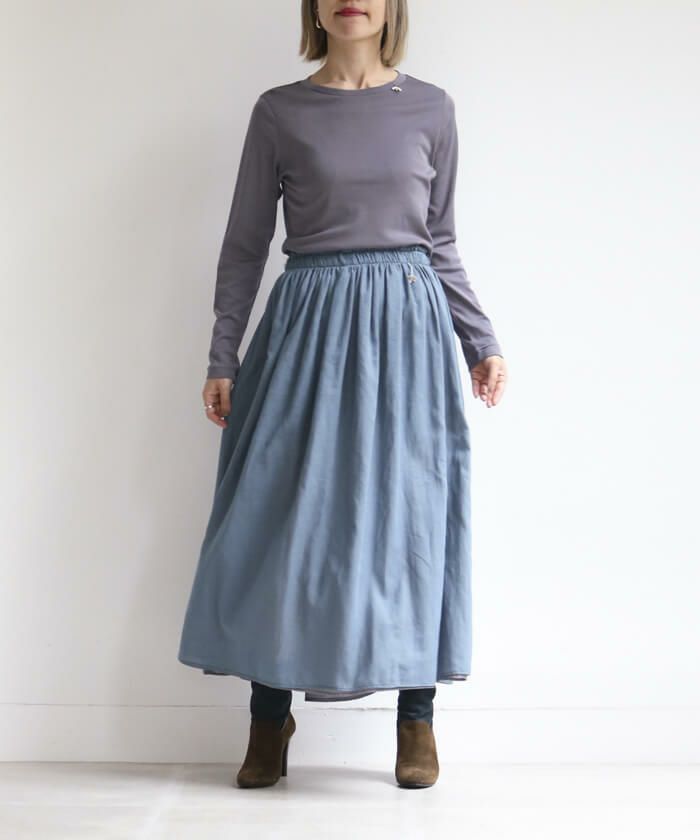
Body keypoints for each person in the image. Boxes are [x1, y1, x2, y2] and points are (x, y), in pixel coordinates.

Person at [178, 0, 508, 790]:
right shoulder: (280, 111)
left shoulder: (431, 108)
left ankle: (417, 716)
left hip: (408, 330)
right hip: (308, 327)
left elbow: (440, 242)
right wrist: (223, 352)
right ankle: (269, 716)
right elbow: (246, 243)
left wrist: (481, 339)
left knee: (413, 515)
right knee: (284, 515)